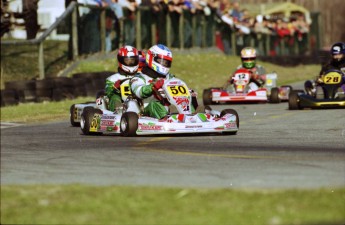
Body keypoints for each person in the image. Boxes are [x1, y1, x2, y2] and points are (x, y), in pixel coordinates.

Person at [129, 44, 175, 119]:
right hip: (145, 110)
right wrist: (152, 86)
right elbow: (138, 92)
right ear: (152, 58)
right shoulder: (139, 77)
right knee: (155, 104)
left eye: (166, 63)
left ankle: (190, 118)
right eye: (162, 61)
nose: (164, 64)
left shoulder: (169, 77)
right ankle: (168, 119)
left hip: (165, 107)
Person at [105, 45, 140, 111]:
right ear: (121, 61)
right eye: (127, 60)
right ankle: (119, 112)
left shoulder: (141, 76)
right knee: (114, 97)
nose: (130, 62)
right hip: (122, 103)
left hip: (139, 100)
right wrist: (115, 88)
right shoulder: (112, 78)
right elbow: (108, 93)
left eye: (132, 60)